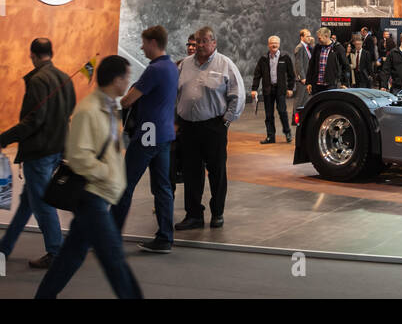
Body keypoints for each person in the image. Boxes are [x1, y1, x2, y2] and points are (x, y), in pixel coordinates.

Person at [34, 55, 142, 299]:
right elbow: (79, 156)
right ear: (116, 80)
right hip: (91, 194)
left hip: (100, 193)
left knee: (72, 255)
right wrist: (107, 175)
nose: (128, 81)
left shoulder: (109, 107)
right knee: (114, 258)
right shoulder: (89, 110)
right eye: (126, 76)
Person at [0, 38, 75, 268]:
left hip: (39, 151)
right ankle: (6, 245)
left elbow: (34, 119)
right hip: (56, 147)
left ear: (33, 55)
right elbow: (68, 111)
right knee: (28, 200)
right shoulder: (65, 78)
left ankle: (56, 252)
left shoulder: (38, 80)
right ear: (51, 53)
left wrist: (5, 137)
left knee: (41, 203)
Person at [114, 26, 179, 254]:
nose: (141, 48)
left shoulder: (155, 69)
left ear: (153, 42)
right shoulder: (171, 67)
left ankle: (111, 237)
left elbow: (127, 101)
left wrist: (124, 96)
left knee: (124, 185)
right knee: (162, 188)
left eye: (143, 43)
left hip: (147, 135)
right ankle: (165, 237)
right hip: (164, 135)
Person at [174, 27, 245, 231]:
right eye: (198, 41)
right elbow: (176, 93)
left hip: (213, 127)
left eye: (205, 41)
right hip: (188, 127)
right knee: (191, 173)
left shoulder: (225, 64)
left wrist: (226, 121)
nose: (200, 45)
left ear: (214, 43)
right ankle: (194, 215)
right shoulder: (185, 65)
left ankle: (217, 213)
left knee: (216, 172)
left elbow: (237, 95)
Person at [252, 35, 295, 144]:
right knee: (269, 114)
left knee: (282, 111)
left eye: (276, 43)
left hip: (280, 90)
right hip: (268, 90)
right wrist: (254, 89)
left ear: (279, 44)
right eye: (271, 43)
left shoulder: (285, 57)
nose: (274, 45)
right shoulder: (263, 59)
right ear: (268, 45)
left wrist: (290, 88)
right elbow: (257, 75)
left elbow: (291, 74)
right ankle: (271, 137)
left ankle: (288, 133)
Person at [308, 27, 351, 92]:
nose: (318, 40)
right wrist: (309, 82)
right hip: (317, 85)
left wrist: (345, 83)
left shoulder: (338, 48)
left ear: (326, 36)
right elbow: (311, 65)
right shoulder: (317, 47)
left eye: (319, 38)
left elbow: (346, 66)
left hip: (331, 85)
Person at [292, 28, 314, 101]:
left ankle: (302, 113)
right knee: (299, 100)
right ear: (302, 37)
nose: (310, 38)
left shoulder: (307, 47)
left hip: (307, 79)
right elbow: (299, 64)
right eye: (307, 36)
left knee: (305, 100)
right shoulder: (300, 47)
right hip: (302, 80)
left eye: (310, 36)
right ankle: (296, 113)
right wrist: (302, 78)